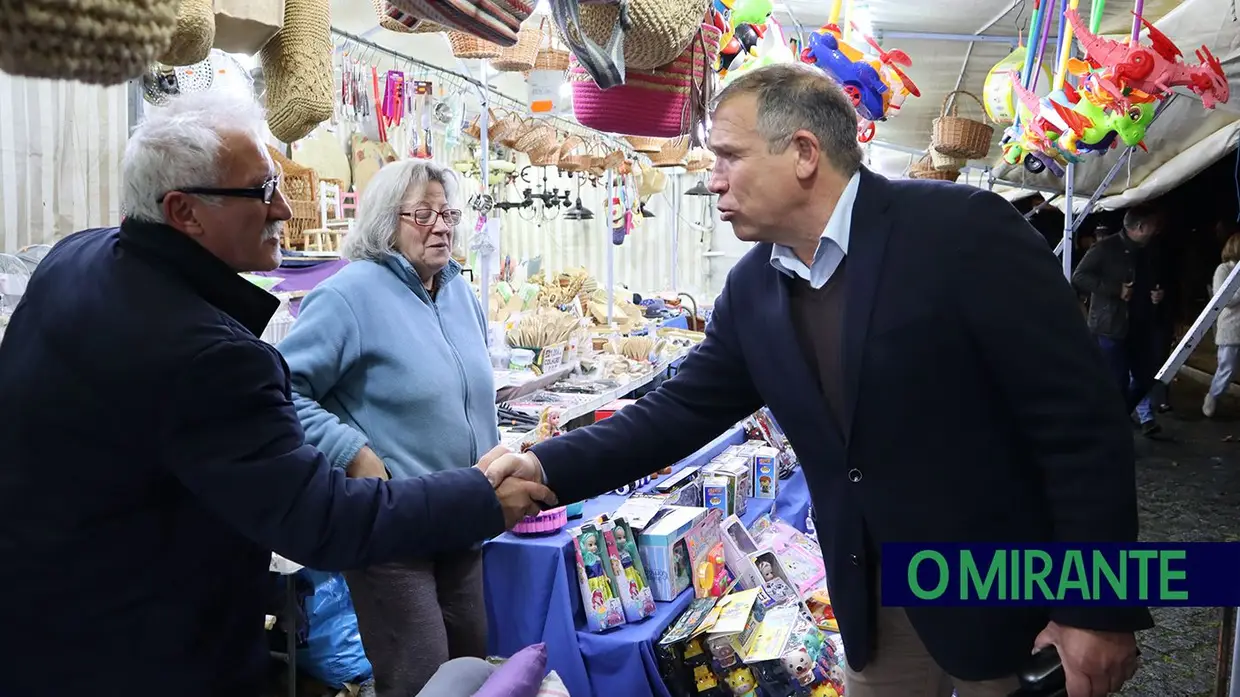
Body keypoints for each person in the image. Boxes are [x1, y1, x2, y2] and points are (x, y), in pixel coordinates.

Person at [481, 63, 1150, 697]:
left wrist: (1097, 606)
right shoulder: (753, 290)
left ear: (804, 152)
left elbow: (1081, 425)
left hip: (1005, 598)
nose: (711, 180)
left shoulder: (961, 233)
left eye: (728, 156)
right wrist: (541, 466)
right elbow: (673, 412)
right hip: (872, 607)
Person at [0, 91, 554, 697]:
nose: (286, 208)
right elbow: (319, 520)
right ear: (184, 211)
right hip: (140, 649)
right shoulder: (212, 356)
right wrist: (475, 494)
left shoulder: (77, 256)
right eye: (263, 190)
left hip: (44, 616)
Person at [279, 160, 499, 695]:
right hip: (391, 525)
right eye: (423, 214)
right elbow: (282, 390)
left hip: (462, 513)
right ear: (385, 222)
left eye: (447, 212)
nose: (442, 226)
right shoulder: (347, 295)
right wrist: (352, 451)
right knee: (419, 676)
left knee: (470, 668)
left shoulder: (458, 292)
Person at [1072, 206, 1168, 436]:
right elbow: (1079, 276)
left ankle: (1115, 419)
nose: (1156, 230)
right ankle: (1111, 428)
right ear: (1140, 227)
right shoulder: (1105, 248)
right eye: (1153, 225)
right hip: (1110, 326)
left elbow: (1149, 282)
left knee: (1145, 376)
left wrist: (1156, 296)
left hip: (1140, 324)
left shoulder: (1147, 250)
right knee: (1118, 380)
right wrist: (1116, 290)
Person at [1204, 232, 1240, 417]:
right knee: (1227, 368)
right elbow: (1223, 299)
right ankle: (1213, 397)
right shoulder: (1224, 270)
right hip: (1232, 328)